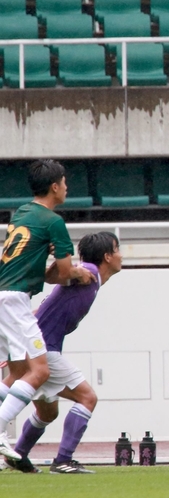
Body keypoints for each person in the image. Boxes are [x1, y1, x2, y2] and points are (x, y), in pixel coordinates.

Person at [3, 232, 122, 474]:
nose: (122, 255)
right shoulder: (89, 270)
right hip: (45, 350)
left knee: (47, 411)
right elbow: (55, 274)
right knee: (87, 398)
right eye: (118, 249)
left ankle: (18, 457)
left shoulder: (93, 277)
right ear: (107, 256)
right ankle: (63, 461)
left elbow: (45, 307)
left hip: (36, 346)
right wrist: (64, 263)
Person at [0, 160, 93, 461]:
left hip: (5, 295)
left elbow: (47, 273)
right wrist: (77, 271)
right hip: (15, 301)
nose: (67, 187)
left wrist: (60, 267)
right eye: (65, 182)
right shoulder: (54, 222)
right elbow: (64, 273)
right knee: (40, 371)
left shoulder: (23, 213)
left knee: (16, 373)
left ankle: (2, 435)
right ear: (55, 186)